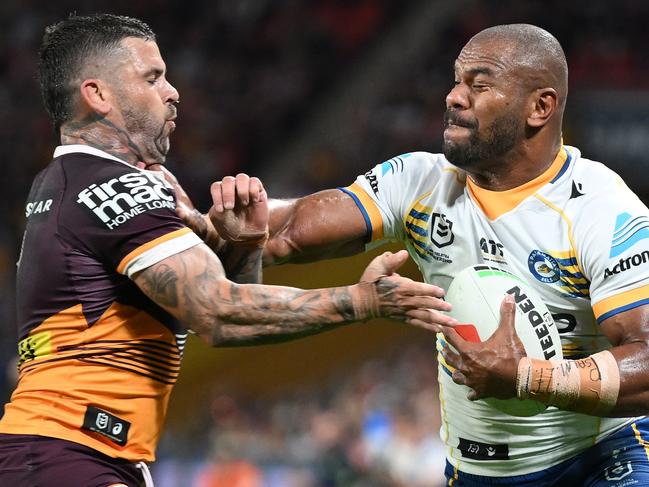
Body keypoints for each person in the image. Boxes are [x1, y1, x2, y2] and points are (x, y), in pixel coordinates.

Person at [0, 14, 453, 487]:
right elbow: (219, 314)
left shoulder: (77, 183)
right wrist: (363, 301)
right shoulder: (110, 187)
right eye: (152, 78)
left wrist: (241, 243)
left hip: (72, 452)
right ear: (98, 95)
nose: (173, 92)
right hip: (65, 455)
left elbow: (231, 301)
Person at [197, 24, 649, 485]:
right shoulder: (419, 182)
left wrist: (530, 377)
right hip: (475, 471)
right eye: (456, 81)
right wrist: (233, 226)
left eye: (480, 85)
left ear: (540, 107)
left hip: (601, 458)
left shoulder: (602, 211)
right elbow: (288, 229)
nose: (454, 97)